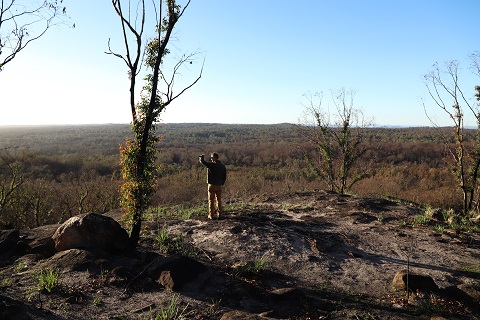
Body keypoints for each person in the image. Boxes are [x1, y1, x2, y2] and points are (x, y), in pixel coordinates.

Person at [199, 152, 227, 219]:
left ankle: (211, 215)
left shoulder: (212, 165)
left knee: (211, 200)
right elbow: (224, 176)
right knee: (219, 200)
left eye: (212, 157)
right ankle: (219, 213)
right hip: (219, 185)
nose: (211, 159)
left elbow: (203, 162)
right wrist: (221, 183)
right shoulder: (223, 166)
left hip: (212, 185)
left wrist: (201, 158)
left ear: (214, 158)